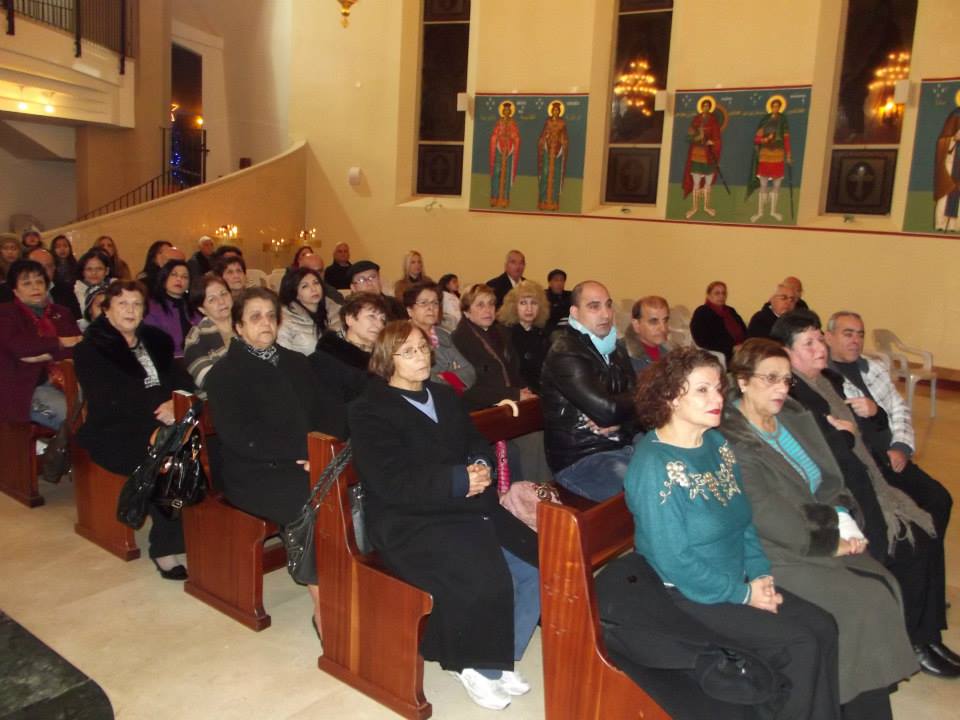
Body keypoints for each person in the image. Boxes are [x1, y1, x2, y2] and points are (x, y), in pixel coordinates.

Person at [627, 346, 842, 720]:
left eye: (718, 389)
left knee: (824, 626)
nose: (717, 399)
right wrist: (744, 595)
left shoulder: (716, 444)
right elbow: (674, 561)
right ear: (671, 397)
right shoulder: (655, 465)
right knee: (799, 644)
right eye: (702, 390)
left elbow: (743, 522)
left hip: (737, 579)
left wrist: (760, 574)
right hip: (687, 594)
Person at [348, 320, 540, 711]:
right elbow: (390, 481)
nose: (421, 357)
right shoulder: (369, 409)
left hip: (467, 504)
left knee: (535, 563)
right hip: (409, 518)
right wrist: (458, 480)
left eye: (423, 348)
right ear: (386, 360)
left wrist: (480, 466)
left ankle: (500, 655)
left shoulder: (443, 395)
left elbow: (474, 441)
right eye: (408, 352)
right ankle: (471, 664)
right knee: (482, 574)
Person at [721, 339, 917, 715]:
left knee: (884, 583)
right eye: (770, 379)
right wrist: (831, 540)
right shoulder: (733, 439)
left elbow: (830, 478)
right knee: (860, 603)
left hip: (817, 529)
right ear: (743, 381)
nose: (781, 388)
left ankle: (868, 692)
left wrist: (844, 518)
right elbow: (766, 513)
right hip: (773, 549)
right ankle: (850, 701)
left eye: (786, 379)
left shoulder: (792, 417)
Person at [772, 310, 958, 678]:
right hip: (842, 486)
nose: (819, 348)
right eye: (808, 343)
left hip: (869, 467)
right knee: (914, 539)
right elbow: (824, 453)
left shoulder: (828, 381)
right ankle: (915, 640)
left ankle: (928, 632)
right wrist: (846, 435)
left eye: (818, 340)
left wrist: (872, 419)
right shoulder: (793, 396)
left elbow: (870, 427)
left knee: (928, 519)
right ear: (787, 353)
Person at [205, 288, 346, 631]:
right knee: (312, 500)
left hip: (306, 458)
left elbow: (328, 412)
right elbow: (240, 437)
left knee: (355, 488)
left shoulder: (296, 362)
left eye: (271, 315)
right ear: (239, 326)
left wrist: (326, 451)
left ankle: (351, 579)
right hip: (254, 472)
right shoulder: (225, 374)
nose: (265, 323)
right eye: (255, 317)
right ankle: (322, 600)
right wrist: (304, 453)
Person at [74, 281, 194, 579]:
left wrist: (174, 404)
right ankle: (165, 548)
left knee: (207, 449)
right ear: (106, 310)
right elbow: (109, 401)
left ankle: (203, 529)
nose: (130, 310)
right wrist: (158, 420)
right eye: (122, 304)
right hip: (115, 431)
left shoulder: (155, 340)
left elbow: (183, 382)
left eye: (136, 304)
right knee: (167, 463)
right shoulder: (90, 349)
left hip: (165, 422)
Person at [540, 281, 636, 501]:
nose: (605, 314)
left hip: (623, 444)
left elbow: (644, 403)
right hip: (582, 459)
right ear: (574, 313)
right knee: (643, 491)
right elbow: (608, 411)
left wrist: (621, 420)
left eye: (608, 305)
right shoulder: (565, 352)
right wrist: (622, 411)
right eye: (594, 306)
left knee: (672, 470)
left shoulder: (615, 348)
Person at [0, 259, 82, 430]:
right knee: (73, 417)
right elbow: (19, 348)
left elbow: (77, 347)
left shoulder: (62, 313)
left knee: (102, 411)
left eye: (39, 281)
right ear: (15, 290)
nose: (35, 287)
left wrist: (44, 354)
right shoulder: (7, 314)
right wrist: (60, 342)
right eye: (27, 283)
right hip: (29, 388)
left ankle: (59, 445)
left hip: (71, 381)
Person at [452, 283, 532, 412]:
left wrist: (524, 389)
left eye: (491, 304)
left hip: (511, 402)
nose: (488, 310)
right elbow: (464, 387)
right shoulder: (459, 340)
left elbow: (513, 369)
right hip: (481, 410)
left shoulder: (502, 332)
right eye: (480, 305)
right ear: (466, 311)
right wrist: (514, 395)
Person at [403, 282, 474, 392]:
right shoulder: (403, 337)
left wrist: (443, 376)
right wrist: (453, 376)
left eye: (435, 303)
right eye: (423, 303)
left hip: (453, 396)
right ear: (410, 310)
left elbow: (469, 372)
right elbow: (425, 379)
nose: (431, 308)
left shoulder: (443, 334)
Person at [497, 280, 550, 393]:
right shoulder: (504, 334)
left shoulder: (542, 334)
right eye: (523, 303)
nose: (529, 308)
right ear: (513, 307)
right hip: (516, 392)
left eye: (534, 303)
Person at [183, 274, 233, 391]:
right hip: (220, 397)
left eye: (224, 294)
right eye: (212, 299)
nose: (221, 301)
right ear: (202, 309)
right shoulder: (195, 338)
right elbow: (209, 381)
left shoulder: (248, 324)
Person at [746, 96, 792, 223]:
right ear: (771, 107)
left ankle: (773, 212)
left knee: (776, 185)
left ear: (780, 108)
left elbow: (786, 139)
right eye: (774, 106)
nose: (775, 108)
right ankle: (760, 212)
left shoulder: (782, 121)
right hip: (765, 154)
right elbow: (756, 139)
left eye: (778, 106)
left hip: (778, 154)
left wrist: (788, 155)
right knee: (763, 185)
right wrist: (765, 139)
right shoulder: (765, 121)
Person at [315, 293, 387, 372]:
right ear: (350, 319)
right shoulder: (330, 355)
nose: (380, 325)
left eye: (382, 319)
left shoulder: (386, 355)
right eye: (371, 316)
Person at [143, 260, 197, 358]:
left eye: (185, 277)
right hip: (169, 359)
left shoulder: (195, 307)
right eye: (174, 275)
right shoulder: (152, 307)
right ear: (164, 279)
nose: (179, 279)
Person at [682, 96, 723, 219]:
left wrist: (712, 142)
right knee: (696, 182)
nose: (705, 107)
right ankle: (694, 208)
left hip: (709, 155)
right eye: (704, 105)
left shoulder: (713, 121)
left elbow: (717, 138)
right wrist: (697, 137)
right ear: (701, 107)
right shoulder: (696, 120)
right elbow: (688, 137)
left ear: (710, 107)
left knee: (708, 183)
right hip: (697, 154)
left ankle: (706, 207)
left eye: (707, 106)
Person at [690, 281, 747, 362]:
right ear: (708, 295)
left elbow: (744, 330)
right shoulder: (702, 312)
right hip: (724, 353)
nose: (721, 296)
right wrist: (732, 348)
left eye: (723, 293)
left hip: (742, 349)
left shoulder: (730, 310)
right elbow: (702, 340)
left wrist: (746, 345)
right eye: (717, 293)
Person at [277, 267, 327, 356]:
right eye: (305, 286)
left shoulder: (333, 311)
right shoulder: (285, 319)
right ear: (294, 293)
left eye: (316, 283)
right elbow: (283, 356)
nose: (314, 289)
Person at [26, 247, 81, 319]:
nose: (43, 271)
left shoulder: (67, 291)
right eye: (38, 267)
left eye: (48, 266)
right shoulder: (18, 294)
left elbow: (76, 319)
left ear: (54, 268)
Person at [620, 295, 671, 373]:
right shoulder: (620, 354)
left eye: (665, 321)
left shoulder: (671, 355)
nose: (663, 328)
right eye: (654, 322)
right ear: (636, 325)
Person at [537, 100, 569, 211]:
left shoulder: (562, 123)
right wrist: (544, 141)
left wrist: (562, 145)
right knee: (545, 173)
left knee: (555, 175)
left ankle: (554, 202)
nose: (555, 112)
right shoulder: (548, 122)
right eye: (554, 110)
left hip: (557, 152)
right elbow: (543, 136)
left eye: (557, 110)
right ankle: (543, 201)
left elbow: (564, 138)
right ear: (551, 111)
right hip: (547, 151)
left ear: (559, 112)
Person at [489, 100, 521, 209]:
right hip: (499, 150)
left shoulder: (513, 123)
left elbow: (516, 137)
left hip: (508, 151)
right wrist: (498, 137)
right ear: (503, 111)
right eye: (505, 110)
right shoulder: (499, 122)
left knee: (506, 174)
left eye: (508, 110)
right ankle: (494, 198)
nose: (506, 112)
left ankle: (505, 199)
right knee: (497, 173)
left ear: (510, 111)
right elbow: (494, 135)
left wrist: (512, 137)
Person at [933, 105, 960, 232]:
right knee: (946, 194)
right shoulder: (956, 114)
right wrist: (954, 139)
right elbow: (943, 141)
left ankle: (955, 225)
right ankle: (941, 224)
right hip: (950, 164)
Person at [73, 249, 112, 326]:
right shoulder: (72, 292)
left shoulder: (113, 290)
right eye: (89, 269)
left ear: (107, 271)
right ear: (82, 272)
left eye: (99, 269)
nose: (94, 273)